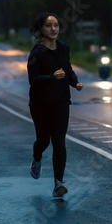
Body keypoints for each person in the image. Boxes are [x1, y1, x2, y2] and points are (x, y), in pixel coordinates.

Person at [27, 12, 83, 198]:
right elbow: (33, 79)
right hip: (40, 104)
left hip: (60, 102)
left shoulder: (64, 48)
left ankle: (59, 183)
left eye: (56, 25)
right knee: (44, 140)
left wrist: (74, 83)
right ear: (42, 29)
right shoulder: (36, 53)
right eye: (49, 26)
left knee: (59, 141)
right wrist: (52, 77)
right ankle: (37, 157)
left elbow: (67, 70)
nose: (53, 29)